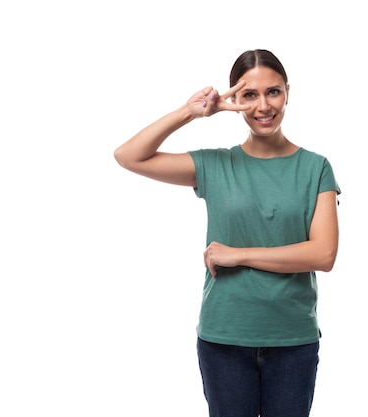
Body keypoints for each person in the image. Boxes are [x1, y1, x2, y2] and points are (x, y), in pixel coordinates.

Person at [114, 49, 340, 417]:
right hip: (225, 339)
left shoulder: (315, 168)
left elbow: (323, 255)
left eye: (273, 92)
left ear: (288, 92)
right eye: (249, 95)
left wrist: (239, 254)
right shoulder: (214, 164)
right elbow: (129, 156)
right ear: (233, 100)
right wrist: (191, 112)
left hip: (292, 339)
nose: (263, 106)